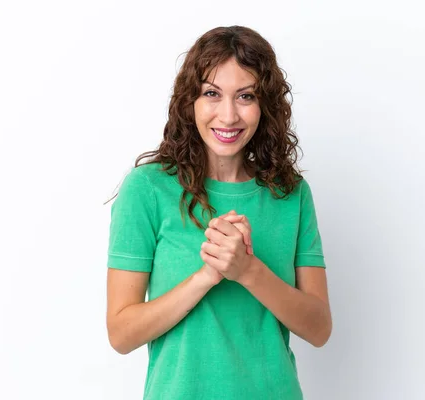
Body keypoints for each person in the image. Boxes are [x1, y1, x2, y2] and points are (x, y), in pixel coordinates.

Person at [105, 25, 332, 400]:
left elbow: (319, 328)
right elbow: (121, 333)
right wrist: (207, 275)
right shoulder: (147, 190)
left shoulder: (290, 195)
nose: (228, 116)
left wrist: (248, 271)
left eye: (245, 96)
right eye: (212, 93)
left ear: (265, 106)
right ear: (189, 101)